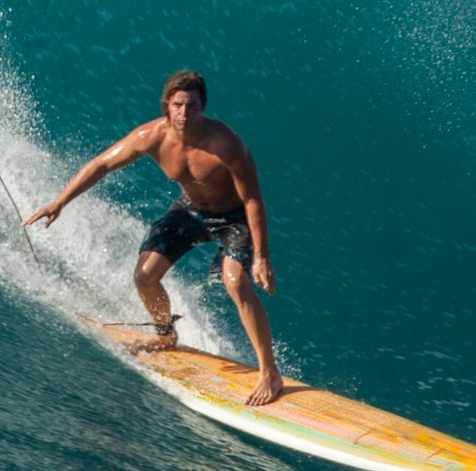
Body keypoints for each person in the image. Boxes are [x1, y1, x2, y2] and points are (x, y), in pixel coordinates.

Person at [26, 70, 285, 405]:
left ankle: (269, 372)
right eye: (178, 104)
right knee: (144, 276)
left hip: (233, 218)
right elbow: (102, 164)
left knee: (235, 281)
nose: (184, 113)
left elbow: (252, 199)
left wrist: (262, 257)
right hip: (191, 211)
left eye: (192, 105)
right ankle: (166, 336)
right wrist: (59, 201)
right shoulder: (151, 136)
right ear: (166, 105)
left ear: (203, 107)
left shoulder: (226, 145)